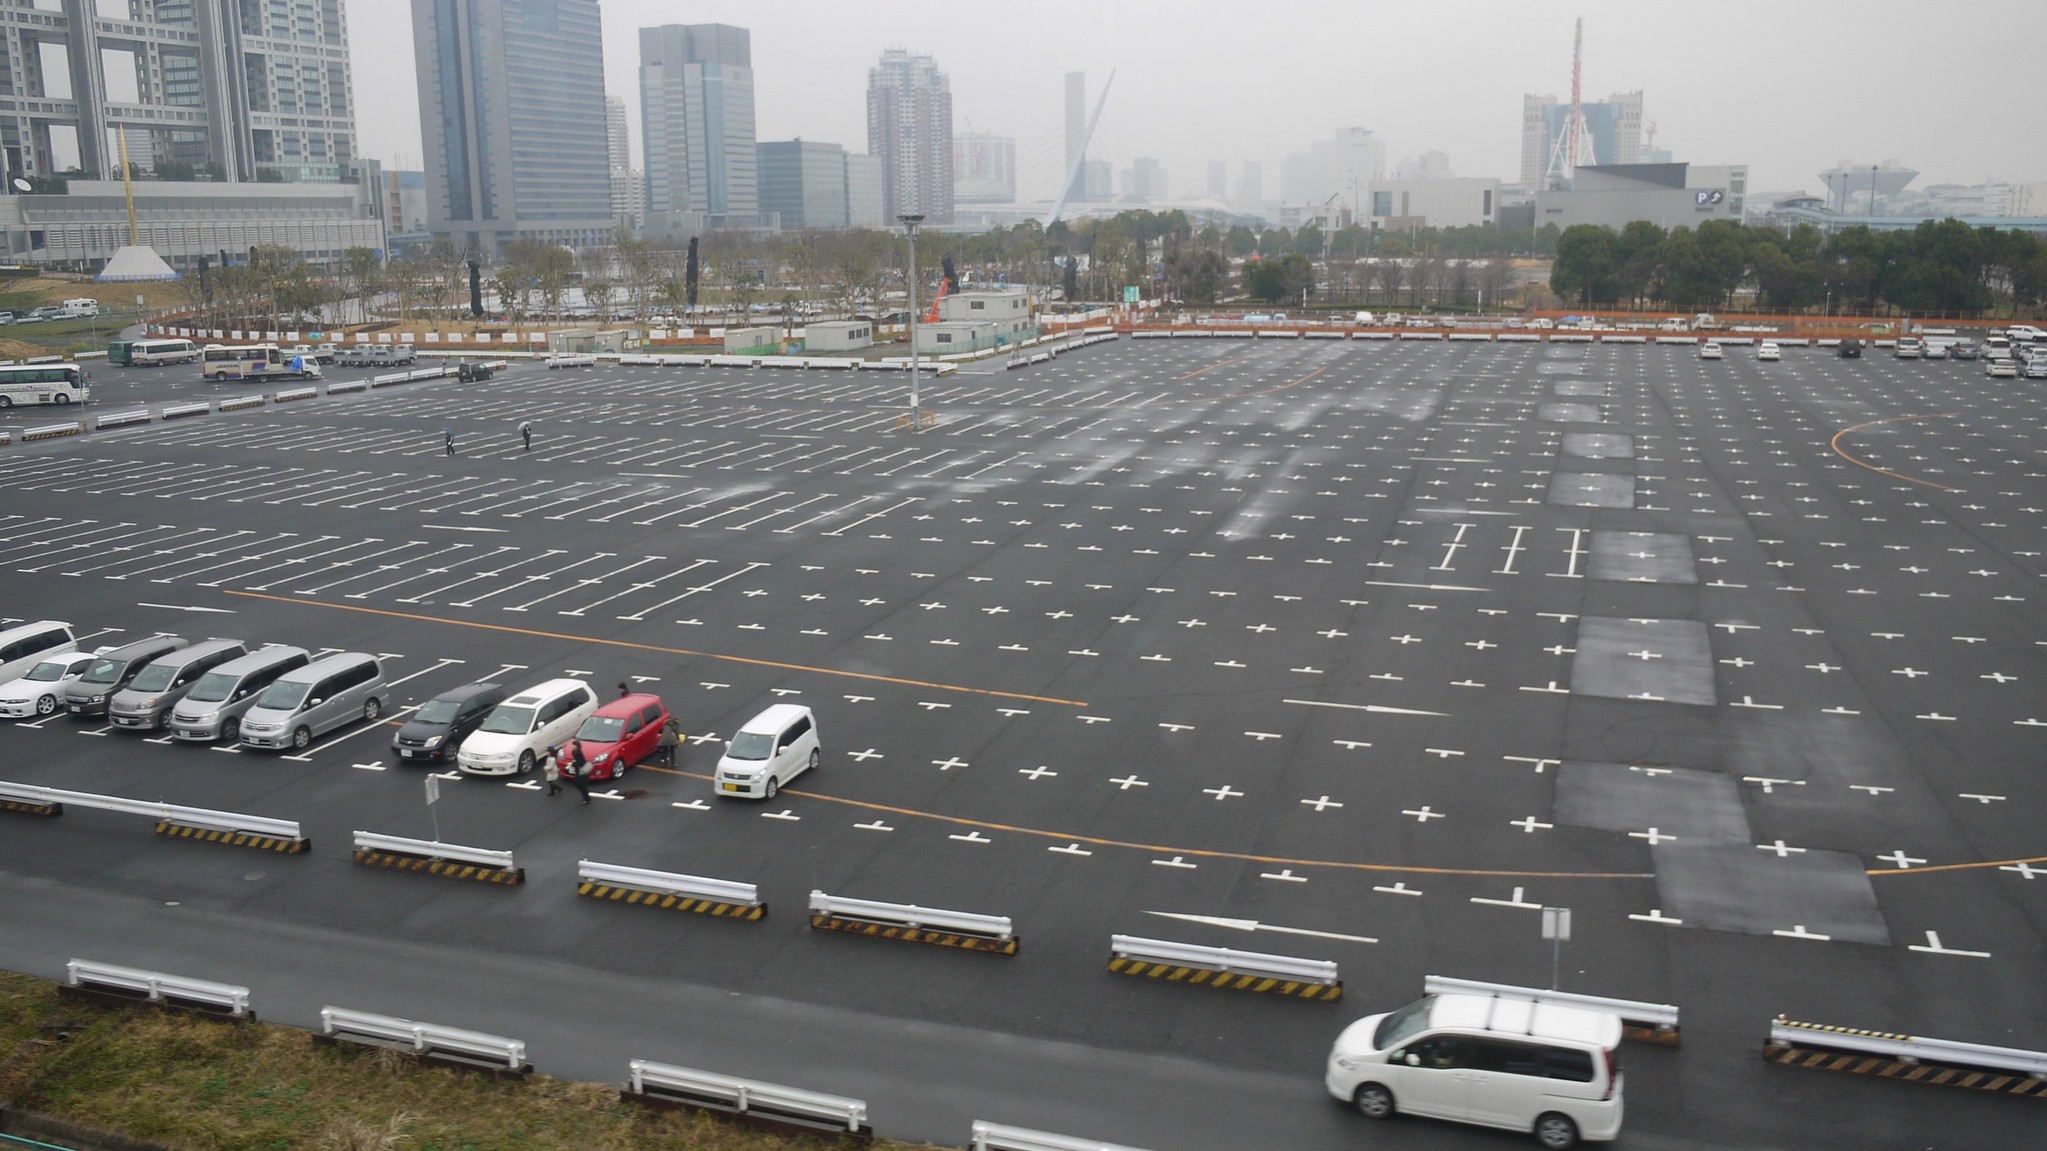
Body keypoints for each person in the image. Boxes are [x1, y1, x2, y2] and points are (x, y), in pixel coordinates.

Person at [565, 739, 591, 804]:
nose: (573, 746)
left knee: (578, 783)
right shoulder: (575, 752)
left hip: (580, 770)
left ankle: (586, 798)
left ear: (577, 746)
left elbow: (581, 762)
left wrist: (573, 764)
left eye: (574, 745)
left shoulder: (579, 753)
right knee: (579, 784)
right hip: (578, 770)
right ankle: (586, 795)